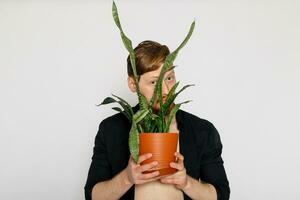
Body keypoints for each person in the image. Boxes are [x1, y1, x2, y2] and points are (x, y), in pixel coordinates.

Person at [84, 40, 230, 200]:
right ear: (133, 84)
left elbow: (221, 195)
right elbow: (92, 195)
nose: (166, 90)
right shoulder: (111, 129)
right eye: (154, 82)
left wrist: (186, 183)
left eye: (169, 78)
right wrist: (127, 178)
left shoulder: (202, 130)